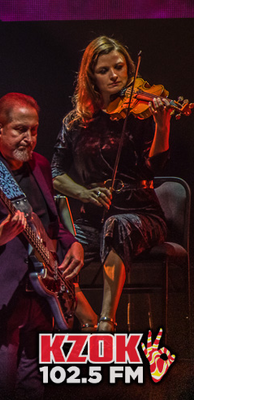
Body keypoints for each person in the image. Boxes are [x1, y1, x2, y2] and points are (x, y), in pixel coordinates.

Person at [0, 92, 84, 398]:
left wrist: (73, 244)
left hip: (41, 297)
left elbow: (51, 223)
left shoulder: (39, 165)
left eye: (34, 130)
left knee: (33, 386)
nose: (29, 138)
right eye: (20, 130)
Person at [51, 36, 178, 332]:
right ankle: (87, 317)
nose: (114, 76)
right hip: (93, 219)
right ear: (90, 77)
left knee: (116, 225)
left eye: (119, 68)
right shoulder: (76, 123)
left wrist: (162, 124)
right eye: (104, 70)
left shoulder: (142, 115)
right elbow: (55, 172)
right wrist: (83, 192)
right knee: (50, 246)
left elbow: (155, 166)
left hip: (142, 214)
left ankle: (107, 322)